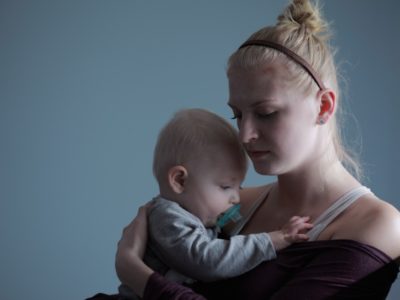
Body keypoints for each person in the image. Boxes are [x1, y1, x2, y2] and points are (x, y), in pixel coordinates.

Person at [94, 0, 400, 299]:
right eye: (237, 115)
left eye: (266, 113)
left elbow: (149, 270)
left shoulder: (377, 225)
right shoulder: (234, 205)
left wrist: (135, 272)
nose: (244, 135)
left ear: (324, 105)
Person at [118, 108, 313, 299]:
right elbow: (208, 260)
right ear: (180, 181)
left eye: (239, 187)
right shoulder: (168, 218)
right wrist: (274, 239)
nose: (236, 198)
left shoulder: (194, 217)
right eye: (226, 186)